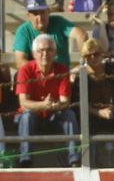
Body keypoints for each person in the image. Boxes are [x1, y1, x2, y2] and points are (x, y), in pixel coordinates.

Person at [15, 33, 80, 166]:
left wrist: (55, 105)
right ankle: (25, 159)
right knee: (27, 115)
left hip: (54, 114)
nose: (45, 54)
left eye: (49, 50)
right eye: (41, 51)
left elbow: (65, 101)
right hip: (32, 116)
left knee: (69, 114)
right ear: (34, 54)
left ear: (55, 52)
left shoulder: (62, 69)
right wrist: (43, 105)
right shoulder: (25, 70)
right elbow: (24, 103)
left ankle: (74, 159)